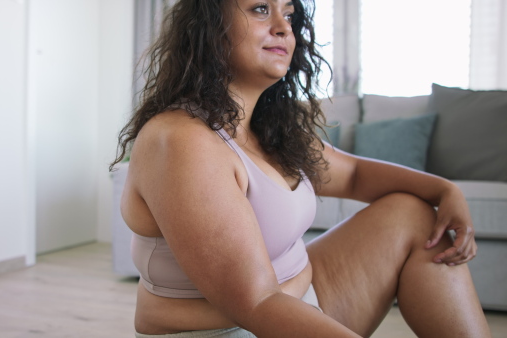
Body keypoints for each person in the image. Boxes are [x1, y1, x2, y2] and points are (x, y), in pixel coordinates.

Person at [110, 0, 492, 337]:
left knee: (414, 214)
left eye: (289, 13)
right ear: (209, 26)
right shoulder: (179, 140)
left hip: (301, 303)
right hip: (230, 331)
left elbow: (356, 175)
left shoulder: (268, 128)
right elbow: (256, 304)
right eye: (261, 8)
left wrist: (446, 191)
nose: (283, 26)